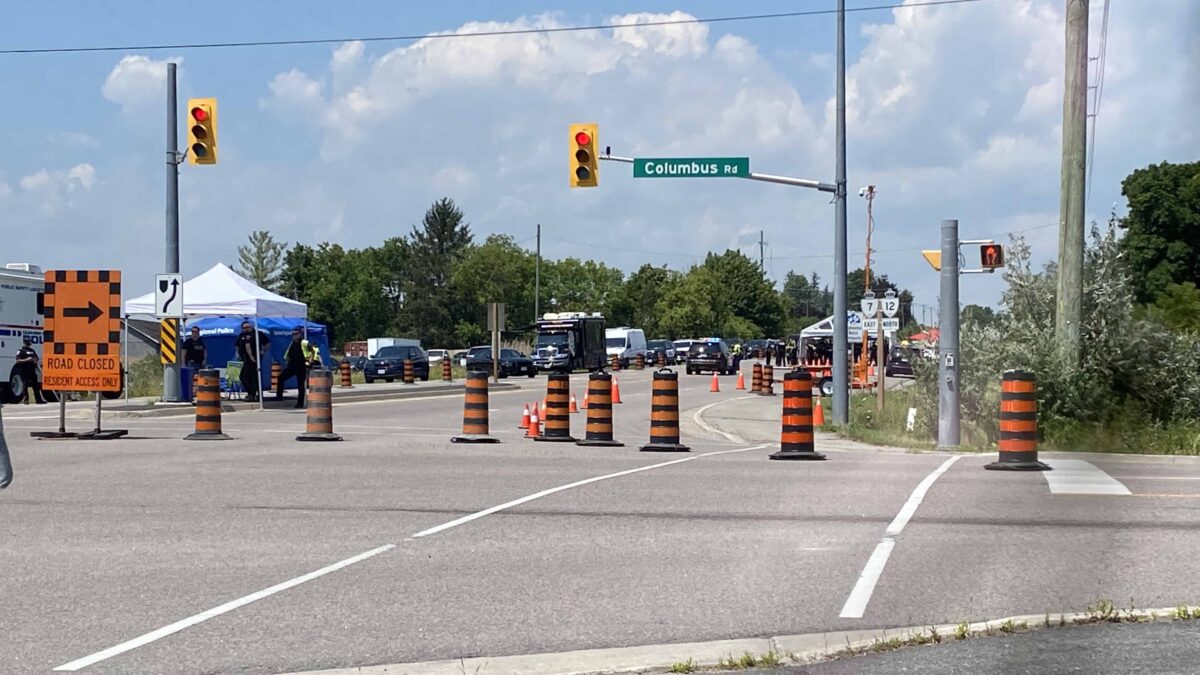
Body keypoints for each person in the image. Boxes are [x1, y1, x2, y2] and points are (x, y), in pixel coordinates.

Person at [234, 320, 266, 402]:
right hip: (244, 358)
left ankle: (253, 395)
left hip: (254, 358)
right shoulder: (242, 335)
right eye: (244, 328)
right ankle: (251, 393)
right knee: (243, 376)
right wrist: (237, 353)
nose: (246, 329)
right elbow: (237, 345)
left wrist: (263, 351)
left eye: (247, 327)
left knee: (254, 377)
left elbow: (248, 346)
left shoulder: (257, 334)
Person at [277, 328, 309, 408]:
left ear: (300, 334)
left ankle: (300, 403)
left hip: (301, 367)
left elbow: (309, 355)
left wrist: (308, 366)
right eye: (293, 334)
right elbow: (289, 353)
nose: (294, 336)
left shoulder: (304, 343)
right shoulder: (292, 343)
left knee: (300, 385)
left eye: (296, 334)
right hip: (292, 366)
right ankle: (279, 396)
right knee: (281, 377)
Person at [14, 337, 46, 404]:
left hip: (32, 371)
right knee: (25, 385)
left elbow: (36, 358)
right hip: (24, 371)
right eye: (28, 342)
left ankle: (39, 400)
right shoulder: (20, 351)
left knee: (36, 386)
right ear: (25, 342)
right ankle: (26, 400)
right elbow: (18, 360)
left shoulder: (32, 350)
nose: (30, 343)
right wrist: (27, 360)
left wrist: (35, 360)